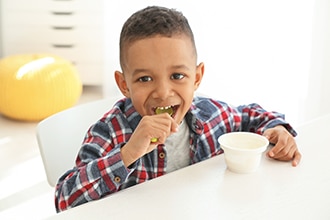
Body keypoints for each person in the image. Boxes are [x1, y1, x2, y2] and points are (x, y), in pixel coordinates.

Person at [55, 6, 301, 212]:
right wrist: (128, 153)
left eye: (177, 75)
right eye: (144, 79)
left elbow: (249, 115)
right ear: (123, 84)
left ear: (196, 77)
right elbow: (64, 200)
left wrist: (276, 128)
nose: (163, 92)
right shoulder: (109, 132)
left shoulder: (210, 116)